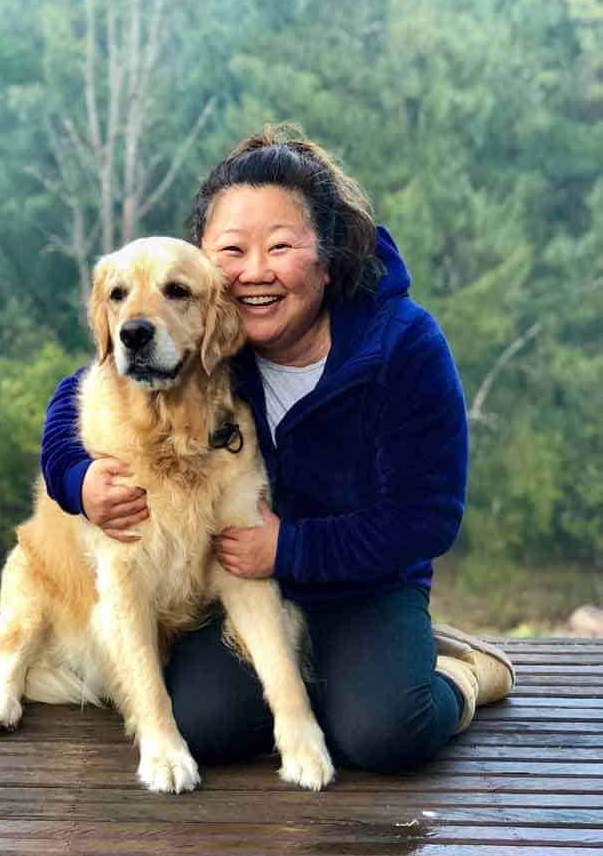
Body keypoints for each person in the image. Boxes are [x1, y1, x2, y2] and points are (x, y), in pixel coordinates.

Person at [39, 126, 514, 773]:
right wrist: (77, 478)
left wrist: (288, 547)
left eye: (281, 247)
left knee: (384, 734)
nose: (254, 272)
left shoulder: (404, 346)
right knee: (206, 729)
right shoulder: (207, 341)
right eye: (231, 250)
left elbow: (426, 519)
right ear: (204, 264)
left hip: (361, 581)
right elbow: (81, 390)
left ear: (327, 256)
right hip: (240, 588)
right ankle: (332, 680)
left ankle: (464, 672)